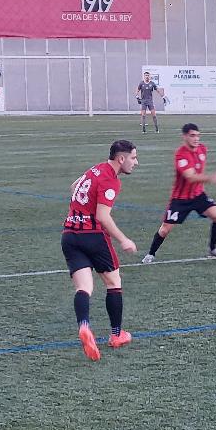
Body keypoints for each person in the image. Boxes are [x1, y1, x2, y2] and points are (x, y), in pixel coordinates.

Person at [61, 140, 140, 361]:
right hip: (92, 237)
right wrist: (124, 239)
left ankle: (84, 326)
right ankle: (116, 335)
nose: (136, 162)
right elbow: (102, 216)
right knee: (114, 283)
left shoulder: (94, 169)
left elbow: (73, 187)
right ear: (121, 159)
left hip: (69, 234)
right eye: (133, 158)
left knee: (84, 288)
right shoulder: (110, 181)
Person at [142, 123, 216, 263]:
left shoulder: (202, 149)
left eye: (198, 135)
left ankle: (213, 249)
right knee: (165, 229)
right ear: (184, 137)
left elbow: (198, 171)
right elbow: (190, 176)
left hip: (198, 195)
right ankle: (151, 254)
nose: (196, 139)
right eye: (192, 136)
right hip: (180, 199)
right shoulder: (181, 154)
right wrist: (212, 178)